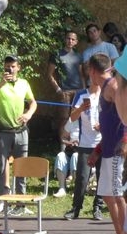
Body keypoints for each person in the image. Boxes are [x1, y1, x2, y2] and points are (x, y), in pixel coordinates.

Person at [0, 54, 37, 216]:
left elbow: (33, 102)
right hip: (2, 132)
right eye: (7, 66)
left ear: (18, 68)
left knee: (22, 168)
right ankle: (2, 201)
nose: (10, 68)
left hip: (21, 132)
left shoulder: (24, 83)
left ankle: (21, 203)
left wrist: (28, 114)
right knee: (0, 168)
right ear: (4, 67)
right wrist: (0, 85)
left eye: (13, 66)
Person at [85, 54, 126, 232]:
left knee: (118, 196)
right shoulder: (105, 89)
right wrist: (98, 149)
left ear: (92, 71)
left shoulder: (113, 86)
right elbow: (110, 128)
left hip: (118, 152)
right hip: (109, 151)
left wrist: (125, 142)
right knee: (108, 197)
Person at [63, 84, 104, 220]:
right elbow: (72, 117)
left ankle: (97, 208)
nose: (96, 80)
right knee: (82, 177)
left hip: (102, 142)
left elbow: (113, 117)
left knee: (101, 177)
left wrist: (102, 126)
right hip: (85, 143)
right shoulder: (81, 94)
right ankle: (76, 208)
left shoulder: (106, 94)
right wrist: (81, 108)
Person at [47, 30, 85, 144]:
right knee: (64, 119)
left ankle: (76, 143)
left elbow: (81, 74)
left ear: (76, 42)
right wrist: (58, 89)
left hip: (78, 91)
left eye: (73, 39)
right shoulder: (57, 54)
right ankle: (63, 146)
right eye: (68, 38)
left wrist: (83, 90)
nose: (70, 41)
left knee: (78, 118)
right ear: (65, 39)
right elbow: (49, 74)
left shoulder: (78, 56)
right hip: (65, 91)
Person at [53, 117, 79, 198]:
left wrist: (80, 142)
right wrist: (69, 142)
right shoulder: (72, 121)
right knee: (60, 156)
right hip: (70, 150)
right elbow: (63, 138)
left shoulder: (91, 122)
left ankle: (77, 189)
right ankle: (62, 188)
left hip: (84, 153)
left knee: (75, 156)